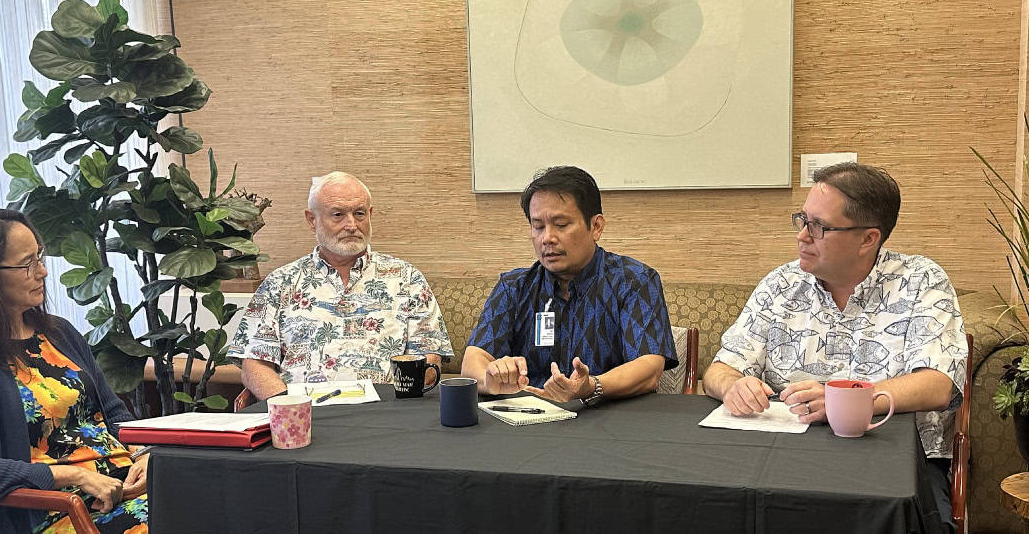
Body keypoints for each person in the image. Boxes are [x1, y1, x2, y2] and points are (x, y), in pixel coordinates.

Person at [701, 162, 967, 532]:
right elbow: (718, 370)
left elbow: (939, 384)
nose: (802, 237)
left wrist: (848, 401)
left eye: (819, 227)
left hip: (896, 465)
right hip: (782, 458)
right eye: (802, 220)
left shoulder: (921, 281)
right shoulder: (782, 284)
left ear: (868, 239)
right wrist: (734, 386)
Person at [0, 207, 148, 534]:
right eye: (27, 263)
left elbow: (113, 412)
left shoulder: (60, 333)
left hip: (124, 489)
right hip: (60, 510)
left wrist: (143, 453)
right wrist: (74, 476)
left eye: (39, 257)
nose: (42, 271)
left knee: (217, 499)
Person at [461, 166, 678, 404]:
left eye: (561, 224)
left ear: (596, 227)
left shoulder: (634, 281)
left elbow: (649, 367)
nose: (548, 238)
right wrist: (490, 378)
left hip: (610, 419)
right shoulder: (513, 287)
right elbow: (474, 359)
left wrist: (591, 386)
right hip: (528, 420)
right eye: (538, 226)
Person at [228, 171, 453, 400]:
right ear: (311, 219)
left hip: (387, 415)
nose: (352, 225)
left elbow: (429, 359)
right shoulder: (280, 283)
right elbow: (255, 366)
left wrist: (393, 408)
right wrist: (292, 411)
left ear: (370, 215)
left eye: (359, 213)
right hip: (303, 416)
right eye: (338, 214)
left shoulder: (407, 278)